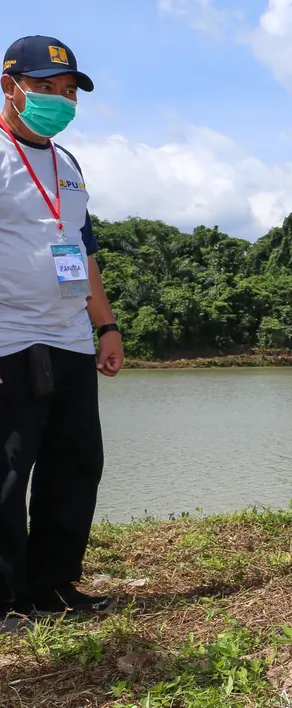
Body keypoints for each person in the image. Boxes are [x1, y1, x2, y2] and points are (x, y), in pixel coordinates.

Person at [0, 35, 123, 619]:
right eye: (46, 89)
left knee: (75, 463)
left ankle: (54, 585)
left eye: (69, 91)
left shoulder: (67, 163)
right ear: (10, 87)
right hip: (7, 338)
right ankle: (5, 599)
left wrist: (107, 326)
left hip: (70, 334)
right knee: (7, 470)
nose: (60, 100)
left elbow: (83, 245)